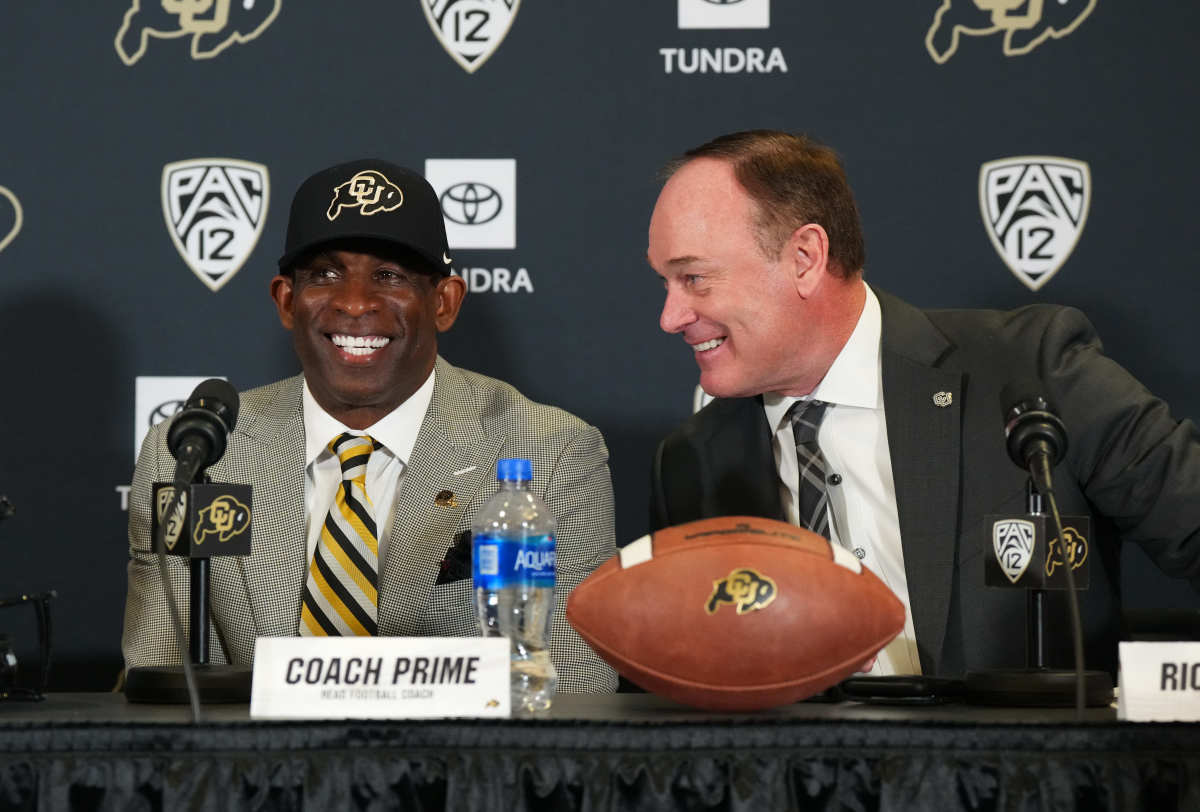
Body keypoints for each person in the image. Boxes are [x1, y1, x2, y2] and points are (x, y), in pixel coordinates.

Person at [647, 130, 1200, 678]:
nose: (671, 317)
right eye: (666, 283)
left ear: (804, 257)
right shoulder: (694, 461)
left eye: (694, 278)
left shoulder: (1030, 371)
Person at [123, 159, 617, 693]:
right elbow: (163, 674)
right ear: (286, 301)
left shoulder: (550, 451)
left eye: (390, 276)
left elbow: (574, 676)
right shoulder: (200, 453)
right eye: (325, 274)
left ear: (444, 302)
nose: (355, 303)